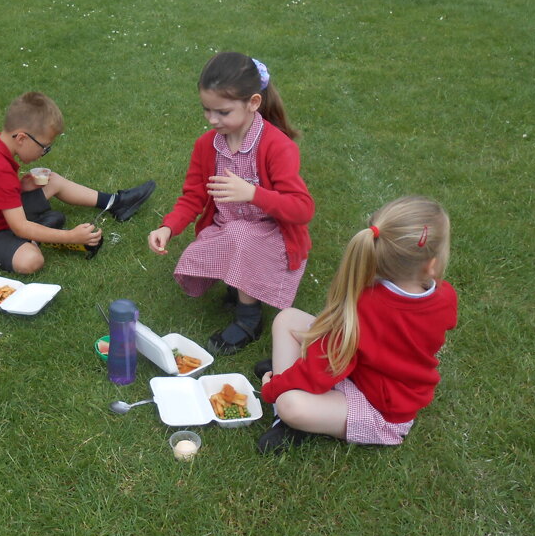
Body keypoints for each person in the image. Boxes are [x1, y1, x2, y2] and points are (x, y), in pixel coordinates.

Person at [255, 196, 458, 454]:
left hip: (381, 409)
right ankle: (289, 378)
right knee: (287, 319)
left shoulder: (366, 304)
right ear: (432, 265)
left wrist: (274, 389)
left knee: (289, 405)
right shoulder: (446, 296)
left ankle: (286, 419)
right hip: (356, 371)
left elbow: (325, 368)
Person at [147, 52, 314, 354]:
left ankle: (249, 319)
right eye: (206, 110)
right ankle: (239, 284)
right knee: (230, 236)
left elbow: (302, 209)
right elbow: (193, 196)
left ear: (253, 103)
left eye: (222, 112)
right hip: (229, 229)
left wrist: (253, 194)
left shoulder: (277, 146)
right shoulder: (207, 145)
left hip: (272, 235)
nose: (212, 120)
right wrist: (168, 227)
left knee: (241, 236)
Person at [0, 91, 155, 275]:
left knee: (53, 181)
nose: (44, 153)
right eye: (45, 147)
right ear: (22, 138)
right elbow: (20, 226)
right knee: (31, 260)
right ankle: (40, 235)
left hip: (0, 216)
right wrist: (70, 237)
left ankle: (115, 202)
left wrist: (21, 188)